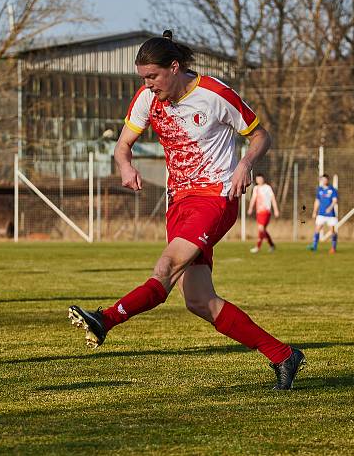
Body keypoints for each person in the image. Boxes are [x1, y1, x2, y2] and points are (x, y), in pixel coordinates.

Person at [67, 31, 305, 390]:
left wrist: (244, 166)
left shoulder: (214, 94)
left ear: (174, 68)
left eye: (153, 77)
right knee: (199, 300)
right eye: (143, 78)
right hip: (178, 202)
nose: (147, 85)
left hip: (216, 198)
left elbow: (261, 136)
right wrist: (124, 165)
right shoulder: (148, 99)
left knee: (165, 268)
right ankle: (283, 355)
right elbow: (122, 145)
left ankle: (105, 320)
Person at [247, 173, 280, 253]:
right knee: (263, 230)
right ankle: (272, 245)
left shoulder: (267, 188)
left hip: (266, 211)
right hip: (259, 212)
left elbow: (273, 199)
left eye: (260, 179)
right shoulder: (256, 188)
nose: (259, 180)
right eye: (258, 179)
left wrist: (276, 210)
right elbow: (253, 199)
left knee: (261, 228)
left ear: (263, 179)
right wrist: (250, 208)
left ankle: (257, 247)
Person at [307, 174, 338, 253]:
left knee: (332, 231)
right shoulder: (319, 190)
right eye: (322, 179)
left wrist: (330, 208)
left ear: (327, 180)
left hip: (331, 214)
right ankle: (314, 246)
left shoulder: (332, 190)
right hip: (321, 213)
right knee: (317, 229)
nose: (324, 181)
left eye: (325, 179)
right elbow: (317, 201)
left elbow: (335, 200)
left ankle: (333, 248)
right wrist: (314, 212)